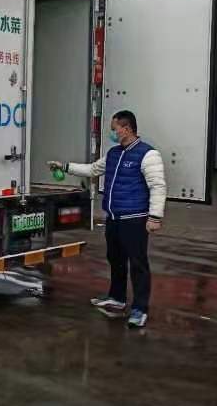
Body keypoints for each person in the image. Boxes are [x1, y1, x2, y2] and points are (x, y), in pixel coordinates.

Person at [48, 110, 166, 328]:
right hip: (114, 217)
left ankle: (140, 309)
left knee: (138, 264)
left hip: (134, 218)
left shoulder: (148, 154)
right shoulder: (113, 154)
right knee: (116, 259)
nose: (112, 133)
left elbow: (158, 187)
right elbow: (92, 169)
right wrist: (64, 167)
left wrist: (155, 217)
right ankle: (117, 298)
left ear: (127, 129)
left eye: (114, 129)